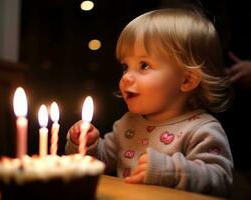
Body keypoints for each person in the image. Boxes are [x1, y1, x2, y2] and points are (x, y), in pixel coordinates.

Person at [65, 8, 233, 197]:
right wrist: (87, 145)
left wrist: (169, 171)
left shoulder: (201, 129)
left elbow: (220, 179)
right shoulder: (127, 124)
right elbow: (100, 164)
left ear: (187, 80)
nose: (127, 76)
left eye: (144, 65)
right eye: (125, 66)